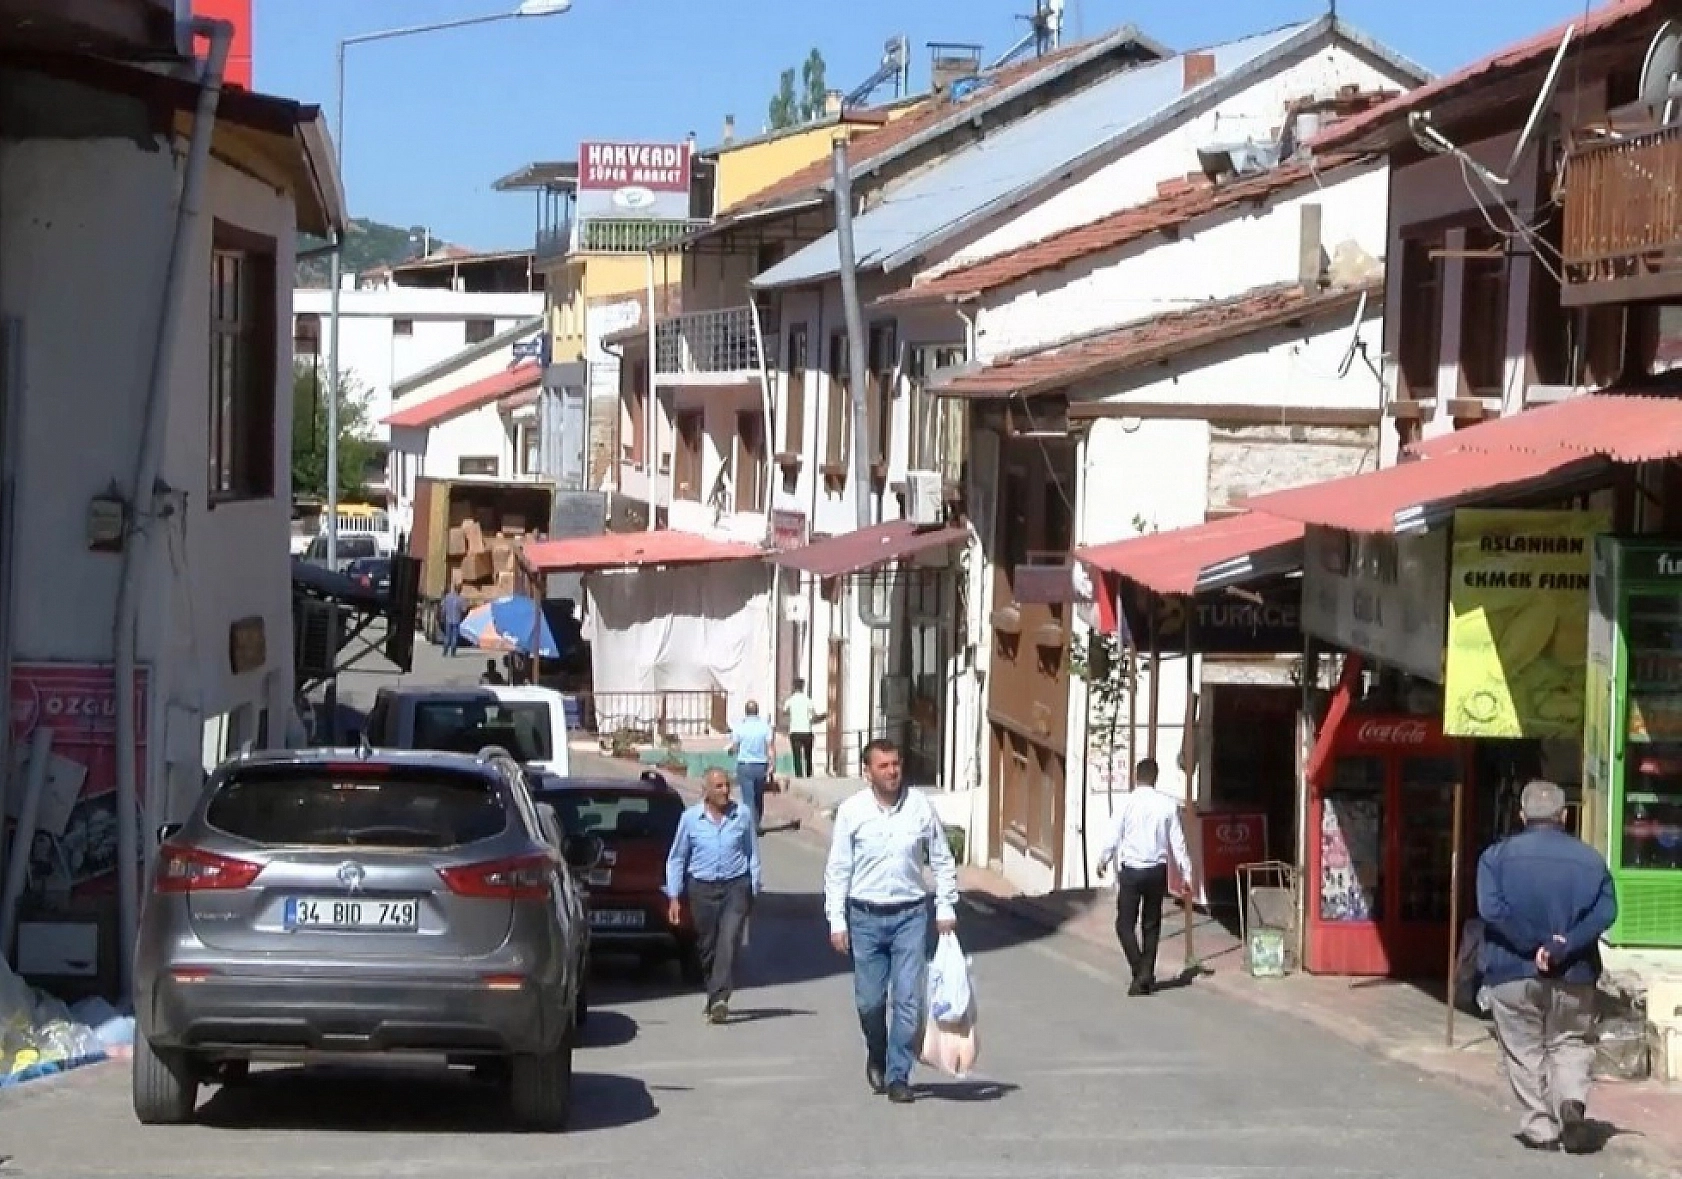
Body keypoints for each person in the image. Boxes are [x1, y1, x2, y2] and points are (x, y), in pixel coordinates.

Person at [1477, 779, 1616, 1154]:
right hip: (1574, 972)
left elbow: (1491, 910)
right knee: (1569, 1041)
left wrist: (1533, 944)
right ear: (1564, 815)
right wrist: (1562, 945)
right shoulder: (1590, 859)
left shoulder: (1494, 858)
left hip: (1512, 970)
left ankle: (1541, 1125)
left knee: (1523, 1049)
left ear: (1522, 816)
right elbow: (1606, 912)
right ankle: (1571, 1101)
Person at [823, 738, 959, 1105]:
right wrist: (837, 920)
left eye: (896, 764)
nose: (892, 771)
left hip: (910, 915)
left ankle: (899, 1075)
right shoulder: (852, 812)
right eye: (883, 766)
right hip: (864, 916)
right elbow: (838, 869)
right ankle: (877, 1052)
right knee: (869, 1002)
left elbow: (942, 860)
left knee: (908, 1000)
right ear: (868, 772)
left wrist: (946, 907)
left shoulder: (919, 807)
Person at [665, 768, 761, 1024]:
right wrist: (673, 896)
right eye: (718, 786)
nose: (725, 791)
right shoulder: (690, 819)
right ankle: (713, 991)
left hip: (735, 886)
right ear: (705, 790)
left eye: (727, 785)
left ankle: (719, 998)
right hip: (701, 889)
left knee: (728, 941)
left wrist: (754, 888)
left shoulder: (742, 815)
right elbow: (676, 858)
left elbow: (752, 853)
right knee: (707, 947)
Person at [1096, 757, 1191, 996]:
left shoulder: (1127, 803)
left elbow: (1113, 833)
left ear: (1136, 777)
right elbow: (1178, 843)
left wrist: (1103, 858)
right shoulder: (1167, 805)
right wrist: (1186, 873)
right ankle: (1144, 972)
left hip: (1132, 871)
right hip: (1157, 871)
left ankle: (1140, 970)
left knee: (1124, 925)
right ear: (1155, 778)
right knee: (1151, 924)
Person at [728, 701, 775, 833]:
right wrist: (772, 764)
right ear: (757, 711)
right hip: (761, 765)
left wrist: (731, 751)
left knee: (748, 796)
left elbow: (735, 746)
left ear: (746, 711)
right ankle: (756, 821)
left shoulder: (739, 728)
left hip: (745, 764)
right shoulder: (765, 727)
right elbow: (770, 747)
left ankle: (751, 825)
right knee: (759, 795)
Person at [782, 678, 818, 778]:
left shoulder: (790, 700)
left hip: (795, 731)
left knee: (796, 755)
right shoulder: (808, 700)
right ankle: (809, 773)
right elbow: (814, 714)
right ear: (803, 687)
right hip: (807, 731)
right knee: (808, 754)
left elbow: (784, 712)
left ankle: (799, 775)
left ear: (793, 687)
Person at [439, 587, 465, 658]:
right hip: (456, 620)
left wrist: (442, 616)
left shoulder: (447, 597)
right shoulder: (461, 599)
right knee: (454, 637)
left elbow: (443, 608)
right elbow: (464, 610)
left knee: (447, 636)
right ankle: (453, 653)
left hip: (448, 620)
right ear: (459, 590)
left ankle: (445, 652)